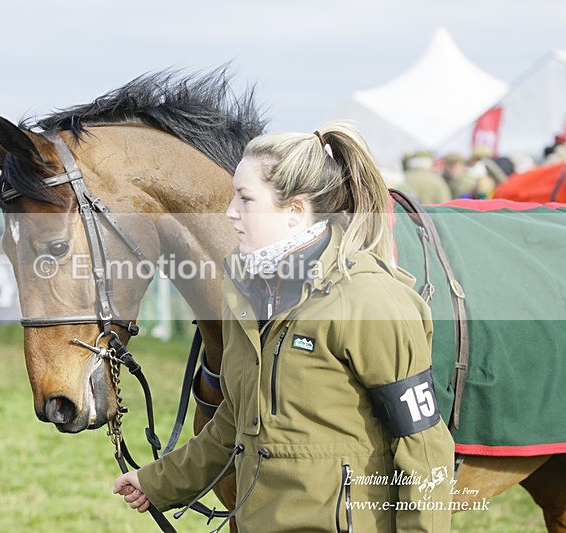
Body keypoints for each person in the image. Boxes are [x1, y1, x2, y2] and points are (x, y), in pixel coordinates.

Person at [113, 123, 454, 531]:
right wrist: (159, 482)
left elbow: (423, 448)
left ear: (294, 210)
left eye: (245, 199)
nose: (230, 213)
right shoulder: (246, 297)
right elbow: (237, 419)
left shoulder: (371, 301)